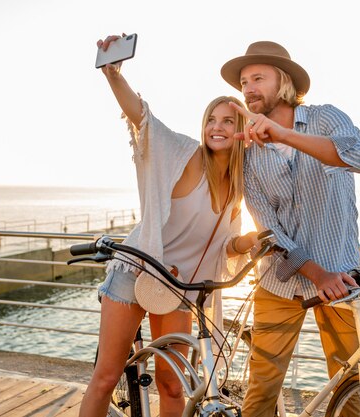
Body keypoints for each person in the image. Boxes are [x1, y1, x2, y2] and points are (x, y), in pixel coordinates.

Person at [80, 34, 258, 417]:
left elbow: (225, 246)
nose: (217, 127)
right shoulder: (183, 154)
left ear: (242, 130)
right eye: (211, 119)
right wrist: (113, 75)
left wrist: (250, 243)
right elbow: (141, 117)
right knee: (106, 377)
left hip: (176, 287)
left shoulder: (237, 187)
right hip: (136, 271)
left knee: (173, 385)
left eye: (228, 120)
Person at [220, 41, 360, 417]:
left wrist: (283, 135)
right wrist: (315, 272)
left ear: (284, 81)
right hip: (280, 282)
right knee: (262, 387)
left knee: (350, 386)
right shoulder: (248, 152)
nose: (249, 88)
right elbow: (269, 230)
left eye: (258, 78)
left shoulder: (326, 118)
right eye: (244, 82)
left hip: (341, 279)